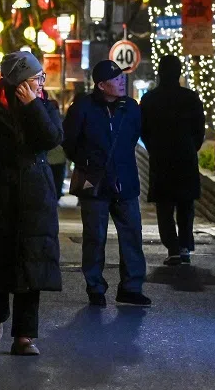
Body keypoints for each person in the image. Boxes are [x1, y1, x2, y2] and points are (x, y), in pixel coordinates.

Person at [0, 52, 63, 356]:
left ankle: (25, 335)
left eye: (40, 78)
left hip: (36, 195)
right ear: (16, 81)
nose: (41, 83)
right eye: (34, 79)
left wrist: (32, 107)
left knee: (32, 264)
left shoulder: (45, 106)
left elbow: (51, 138)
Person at [63, 60, 151, 307]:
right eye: (116, 79)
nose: (122, 82)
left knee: (132, 235)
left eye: (122, 78)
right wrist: (86, 161)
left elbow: (136, 136)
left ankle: (131, 287)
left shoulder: (131, 108)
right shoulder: (84, 107)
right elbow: (68, 140)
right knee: (94, 236)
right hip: (95, 183)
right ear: (101, 85)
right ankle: (95, 287)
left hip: (126, 183)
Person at [140, 55, 206, 266]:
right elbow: (199, 130)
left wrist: (154, 148)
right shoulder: (191, 98)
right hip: (185, 157)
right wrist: (190, 147)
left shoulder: (150, 99)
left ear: (159, 72)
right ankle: (185, 245)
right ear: (179, 73)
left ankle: (173, 248)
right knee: (186, 206)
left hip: (161, 158)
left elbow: (144, 130)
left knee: (165, 207)